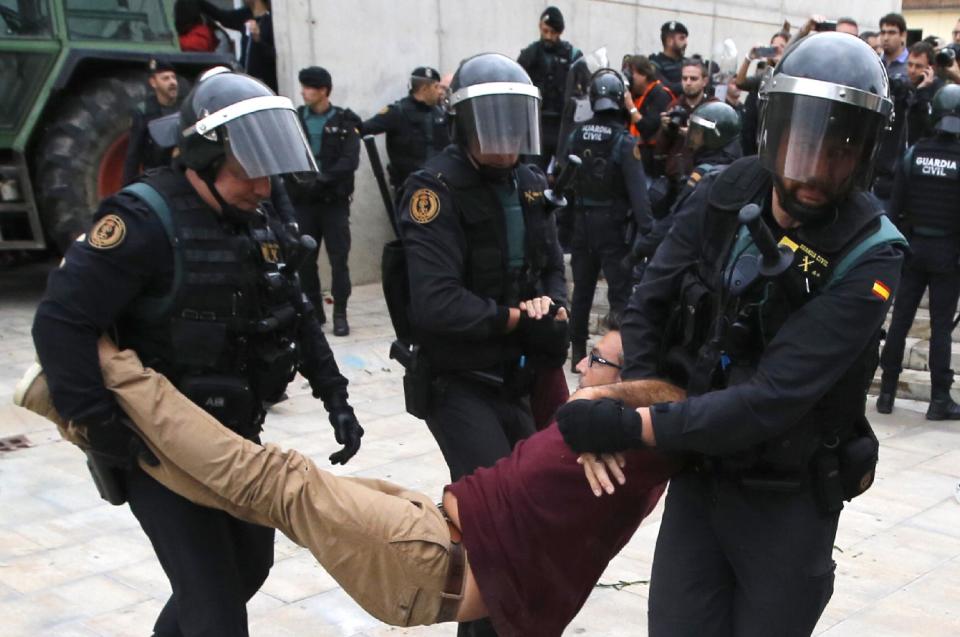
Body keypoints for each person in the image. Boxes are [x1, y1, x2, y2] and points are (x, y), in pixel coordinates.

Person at [556, 33, 908, 636]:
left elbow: (771, 398)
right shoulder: (732, 189)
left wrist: (631, 423)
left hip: (785, 500)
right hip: (700, 478)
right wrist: (635, 390)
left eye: (838, 155)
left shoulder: (872, 255)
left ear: (866, 155)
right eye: (803, 147)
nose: (814, 175)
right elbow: (648, 300)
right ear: (772, 132)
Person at [16, 327, 682, 637]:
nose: (584, 363)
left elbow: (668, 404)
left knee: (268, 475)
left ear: (631, 384)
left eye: (597, 358)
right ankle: (74, 414)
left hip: (424, 561)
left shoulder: (629, 447)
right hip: (427, 527)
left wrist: (614, 406)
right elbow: (554, 416)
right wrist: (544, 347)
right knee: (246, 491)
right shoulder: (596, 434)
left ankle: (112, 368)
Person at [31, 68, 364, 637]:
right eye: (246, 173)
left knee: (247, 570)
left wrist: (335, 396)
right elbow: (60, 321)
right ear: (203, 159)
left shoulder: (256, 217)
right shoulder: (142, 219)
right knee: (215, 609)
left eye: (267, 174)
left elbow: (296, 310)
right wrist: (100, 425)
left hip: (235, 441)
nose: (262, 188)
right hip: (159, 447)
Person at [396, 52, 568, 636]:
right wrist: (517, 319)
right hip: (458, 382)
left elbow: (552, 266)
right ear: (463, 124)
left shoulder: (530, 183)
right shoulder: (433, 190)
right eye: (491, 124)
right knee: (496, 519)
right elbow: (436, 301)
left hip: (517, 378)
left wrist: (554, 305)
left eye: (513, 123)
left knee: (537, 504)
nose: (505, 140)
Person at [877, 84, 960, 420]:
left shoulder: (913, 154)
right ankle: (939, 399)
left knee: (899, 322)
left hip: (912, 250)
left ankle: (886, 392)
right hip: (948, 254)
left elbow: (895, 210)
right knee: (941, 327)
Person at [566, 70, 652, 371]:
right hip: (613, 228)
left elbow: (561, 180)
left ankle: (578, 352)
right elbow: (640, 198)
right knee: (619, 293)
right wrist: (648, 236)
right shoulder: (625, 142)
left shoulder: (575, 135)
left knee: (582, 292)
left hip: (581, 224)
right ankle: (615, 357)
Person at [285, 66, 361, 336]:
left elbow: (349, 161)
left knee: (339, 259)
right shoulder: (293, 119)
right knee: (305, 260)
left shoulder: (344, 121)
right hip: (303, 201)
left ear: (323, 91)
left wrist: (322, 179)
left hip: (333, 202)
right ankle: (314, 311)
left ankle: (340, 313)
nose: (303, 92)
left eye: (308, 87)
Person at [631, 100, 743, 262]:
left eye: (698, 132)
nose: (692, 136)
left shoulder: (705, 172)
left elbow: (677, 219)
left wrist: (640, 250)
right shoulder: (735, 165)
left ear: (713, 136)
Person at [361, 66, 450, 193]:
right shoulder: (397, 112)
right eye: (436, 87)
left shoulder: (441, 112)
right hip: (409, 187)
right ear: (424, 89)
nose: (440, 92)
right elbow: (364, 129)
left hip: (439, 185)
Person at [517, 6, 582, 169]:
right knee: (533, 172)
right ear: (540, 27)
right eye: (545, 31)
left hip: (563, 125)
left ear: (560, 32)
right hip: (536, 124)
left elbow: (584, 87)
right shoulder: (529, 55)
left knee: (566, 171)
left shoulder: (571, 55)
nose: (549, 36)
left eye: (553, 33)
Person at [654, 59, 716, 200]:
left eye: (693, 79)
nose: (688, 83)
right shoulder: (673, 106)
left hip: (704, 181)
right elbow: (660, 150)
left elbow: (721, 144)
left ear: (704, 81)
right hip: (675, 181)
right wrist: (665, 129)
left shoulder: (713, 107)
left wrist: (696, 135)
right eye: (684, 78)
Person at [121, 58, 180, 185]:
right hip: (156, 177)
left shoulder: (184, 108)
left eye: (173, 78)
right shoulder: (143, 112)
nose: (172, 82)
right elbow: (133, 155)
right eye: (165, 79)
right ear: (153, 82)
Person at [200, 0, 276, 92]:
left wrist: (258, 40)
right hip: (246, 80)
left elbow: (272, 55)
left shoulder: (271, 20)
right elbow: (223, 17)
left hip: (264, 84)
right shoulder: (245, 15)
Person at [735, 31, 789, 156]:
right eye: (772, 46)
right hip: (755, 138)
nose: (776, 50)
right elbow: (740, 82)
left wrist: (782, 62)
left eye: (781, 46)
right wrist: (749, 58)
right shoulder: (765, 76)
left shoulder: (790, 74)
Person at [623, 54, 675, 176]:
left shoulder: (660, 94)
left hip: (651, 164)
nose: (630, 78)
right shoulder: (636, 95)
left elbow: (647, 129)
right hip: (634, 159)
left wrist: (631, 107)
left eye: (632, 73)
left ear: (644, 74)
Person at [650, 21, 688, 97]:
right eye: (682, 38)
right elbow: (665, 88)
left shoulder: (687, 62)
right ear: (669, 41)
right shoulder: (655, 64)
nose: (686, 43)